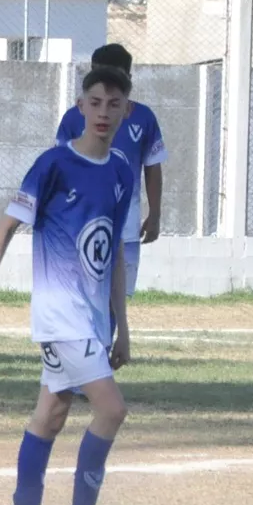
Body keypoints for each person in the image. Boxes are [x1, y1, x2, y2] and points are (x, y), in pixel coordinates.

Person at [0, 66, 136, 505]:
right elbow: (6, 227)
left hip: (91, 322)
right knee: (111, 409)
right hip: (61, 318)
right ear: (80, 106)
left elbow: (115, 252)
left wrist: (121, 326)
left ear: (127, 109)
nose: (104, 112)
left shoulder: (122, 172)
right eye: (96, 102)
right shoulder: (54, 164)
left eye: (114, 103)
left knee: (50, 416)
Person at [55, 44, 166, 310]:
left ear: (127, 79)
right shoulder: (74, 117)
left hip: (125, 228)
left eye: (113, 77)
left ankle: (107, 347)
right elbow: (60, 169)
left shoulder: (144, 117)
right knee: (80, 299)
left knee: (117, 301)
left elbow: (153, 167)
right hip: (81, 224)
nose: (105, 84)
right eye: (98, 76)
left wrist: (155, 214)